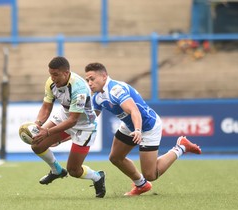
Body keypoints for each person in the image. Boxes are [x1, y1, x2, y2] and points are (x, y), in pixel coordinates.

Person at [84, 62, 202, 196]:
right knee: (115, 158)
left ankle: (181, 147)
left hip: (147, 126)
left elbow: (135, 111)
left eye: (92, 79)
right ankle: (141, 185)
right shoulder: (97, 97)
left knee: (151, 174)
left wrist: (138, 130)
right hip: (129, 126)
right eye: (87, 80)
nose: (89, 83)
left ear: (104, 76)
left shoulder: (116, 90)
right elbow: (91, 120)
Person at [30, 56, 106, 198]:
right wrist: (38, 124)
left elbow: (73, 121)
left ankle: (97, 177)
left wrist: (47, 132)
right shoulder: (51, 82)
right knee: (36, 145)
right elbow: (46, 108)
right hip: (65, 116)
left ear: (66, 73)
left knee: (74, 170)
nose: (52, 78)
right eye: (50, 74)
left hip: (84, 126)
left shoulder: (79, 88)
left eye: (55, 74)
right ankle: (57, 171)